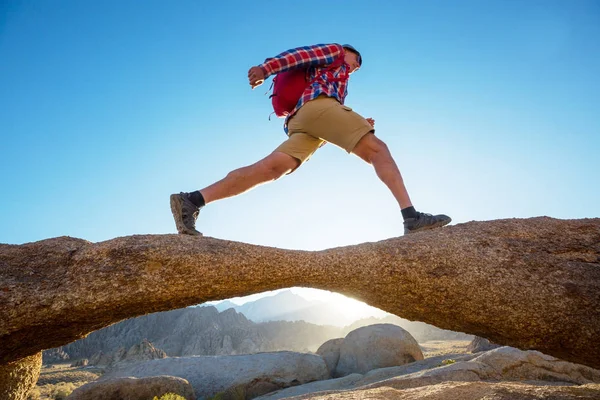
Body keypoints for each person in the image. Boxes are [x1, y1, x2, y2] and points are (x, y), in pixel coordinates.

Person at [170, 43, 451, 236]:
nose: (355, 67)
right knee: (379, 150)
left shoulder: (338, 80)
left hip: (303, 122)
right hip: (316, 110)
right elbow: (301, 55)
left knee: (269, 169)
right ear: (348, 52)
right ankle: (411, 218)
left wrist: (358, 123)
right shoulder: (335, 52)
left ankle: (192, 200)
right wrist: (266, 69)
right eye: (357, 61)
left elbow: (331, 115)